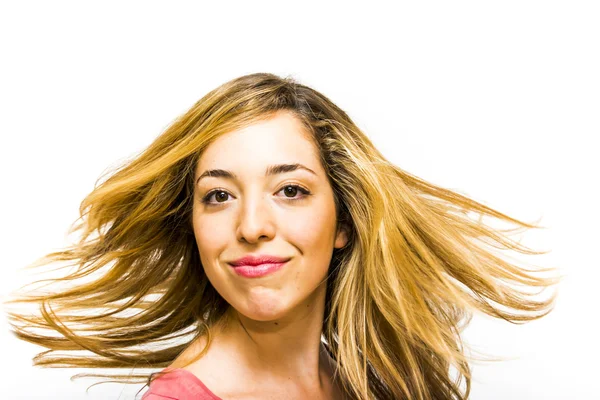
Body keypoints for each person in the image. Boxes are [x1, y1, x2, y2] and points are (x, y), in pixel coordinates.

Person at [5, 72, 561, 400]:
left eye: (290, 190)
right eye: (218, 196)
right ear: (192, 226)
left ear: (343, 221)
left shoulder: (370, 384)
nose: (251, 227)